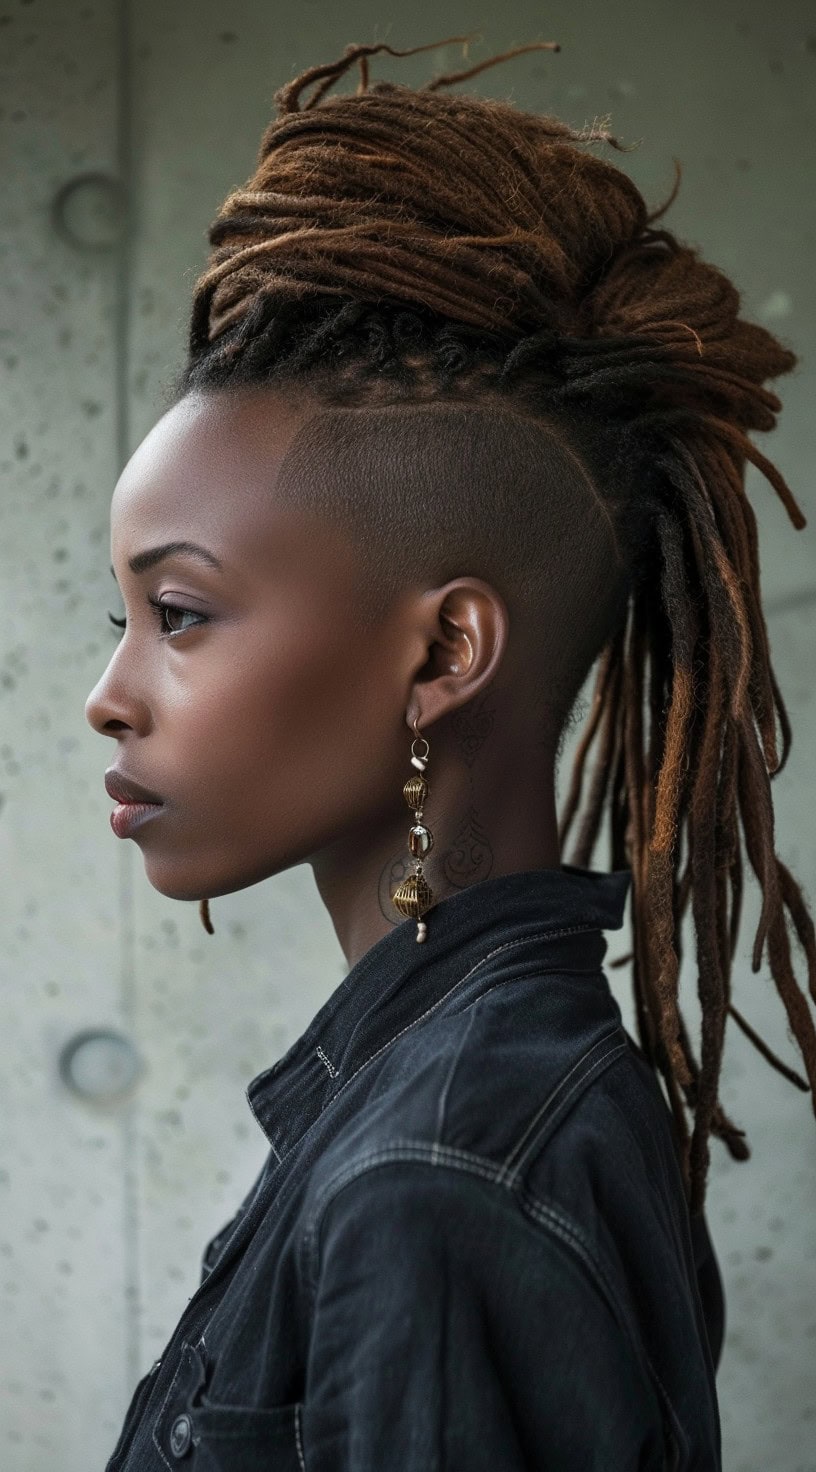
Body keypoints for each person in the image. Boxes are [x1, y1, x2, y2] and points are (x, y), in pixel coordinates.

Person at [84, 33, 816, 1471]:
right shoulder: (468, 1103)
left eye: (177, 612)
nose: (110, 695)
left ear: (440, 657)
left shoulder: (440, 1175)